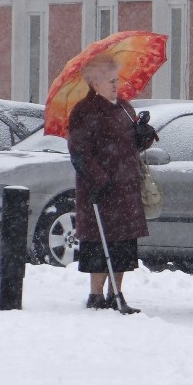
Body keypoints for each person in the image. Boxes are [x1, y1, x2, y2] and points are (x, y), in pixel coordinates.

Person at [68, 54, 149, 314]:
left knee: (123, 243)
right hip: (101, 190)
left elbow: (133, 144)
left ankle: (117, 292)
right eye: (109, 81)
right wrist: (99, 179)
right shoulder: (85, 111)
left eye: (116, 80)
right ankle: (96, 294)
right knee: (98, 242)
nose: (115, 85)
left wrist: (144, 135)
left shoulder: (125, 107)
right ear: (94, 83)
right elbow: (79, 152)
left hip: (126, 187)